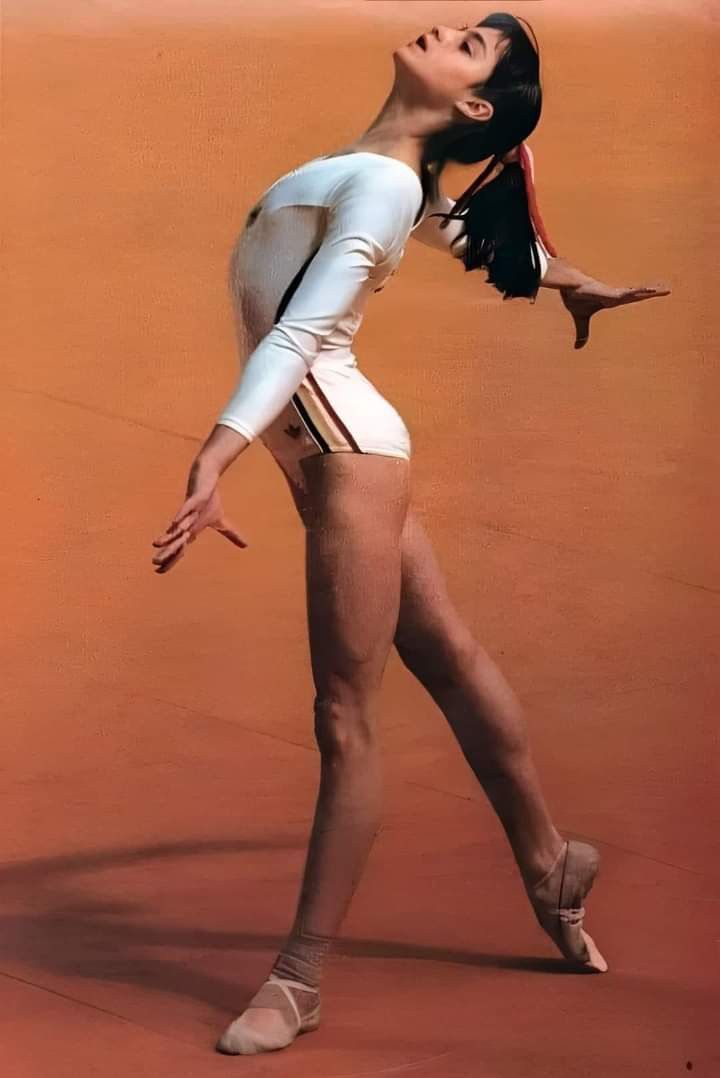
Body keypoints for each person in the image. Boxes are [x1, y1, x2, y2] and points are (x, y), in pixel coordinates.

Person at [151, 13, 670, 1056]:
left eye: (473, 45)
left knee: (345, 716)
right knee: (444, 649)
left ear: (472, 105)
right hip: (336, 449)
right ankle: (550, 857)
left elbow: (301, 327)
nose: (450, 27)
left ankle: (298, 979)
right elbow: (473, 235)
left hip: (343, 458)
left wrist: (217, 451)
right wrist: (577, 282)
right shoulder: (380, 173)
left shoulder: (383, 183)